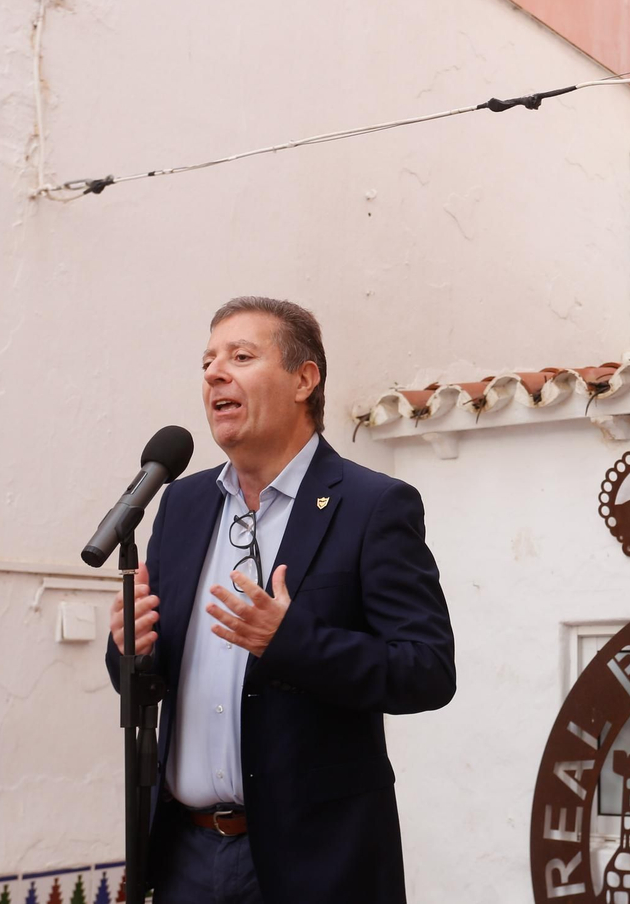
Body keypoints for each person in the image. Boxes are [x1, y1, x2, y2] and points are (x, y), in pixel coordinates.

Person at [107, 296, 455, 903]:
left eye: (241, 357)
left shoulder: (372, 506)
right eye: (209, 361)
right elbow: (149, 680)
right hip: (185, 855)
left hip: (313, 866)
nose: (216, 373)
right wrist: (129, 651)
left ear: (304, 378)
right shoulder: (183, 506)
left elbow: (427, 671)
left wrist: (293, 642)